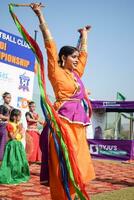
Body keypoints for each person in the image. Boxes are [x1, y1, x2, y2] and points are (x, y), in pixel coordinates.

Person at [30, 3, 95, 199]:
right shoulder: (55, 71)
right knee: (64, 163)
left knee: (79, 165)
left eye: (76, 57)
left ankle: (73, 195)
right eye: (72, 57)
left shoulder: (76, 74)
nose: (76, 60)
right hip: (63, 124)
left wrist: (84, 35)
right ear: (63, 58)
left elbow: (84, 56)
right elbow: (50, 46)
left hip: (78, 125)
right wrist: (40, 15)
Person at [0, 108, 30, 184]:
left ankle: (18, 174)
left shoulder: (17, 124)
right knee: (12, 161)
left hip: (18, 145)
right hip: (12, 145)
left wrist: (21, 130)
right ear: (14, 117)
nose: (20, 118)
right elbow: (12, 137)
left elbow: (20, 136)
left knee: (19, 162)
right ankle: (12, 175)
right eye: (19, 116)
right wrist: (18, 129)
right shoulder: (9, 125)